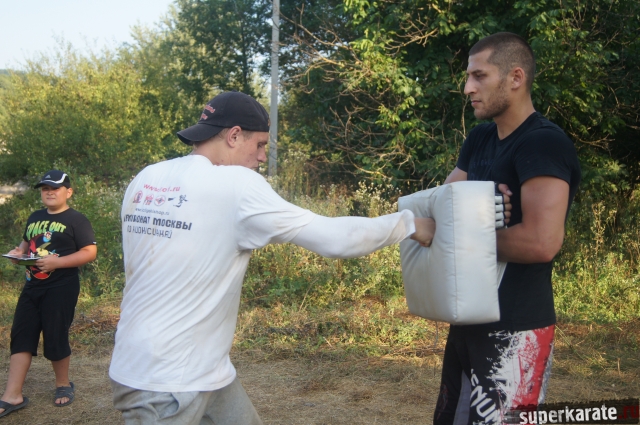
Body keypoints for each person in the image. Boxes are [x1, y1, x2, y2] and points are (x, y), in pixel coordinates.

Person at [108, 91, 436, 424]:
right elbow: (338, 239)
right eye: (260, 145)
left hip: (194, 368)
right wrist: (409, 224)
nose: (262, 157)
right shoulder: (236, 185)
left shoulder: (147, 178)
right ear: (234, 136)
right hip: (165, 384)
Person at [432, 32, 581, 424]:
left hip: (516, 329)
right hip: (468, 316)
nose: (468, 88)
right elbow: (439, 206)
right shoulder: (480, 138)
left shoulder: (543, 143)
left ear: (516, 77)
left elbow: (541, 242)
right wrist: (482, 210)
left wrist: (464, 228)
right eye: (468, 77)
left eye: (479, 76)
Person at [0, 170, 97, 418]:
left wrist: (58, 262)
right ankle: (12, 396)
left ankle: (63, 384)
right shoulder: (35, 217)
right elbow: (25, 246)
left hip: (61, 287)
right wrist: (17, 254)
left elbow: (89, 252)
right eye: (45, 189)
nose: (50, 192)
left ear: (68, 192)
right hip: (32, 286)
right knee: (21, 334)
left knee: (55, 334)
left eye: (55, 188)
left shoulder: (77, 220)